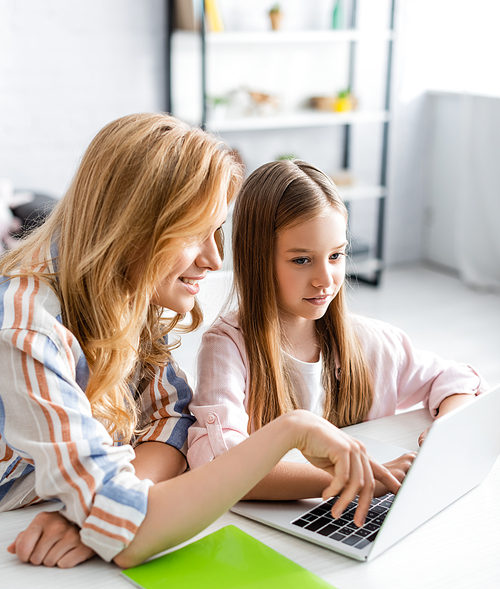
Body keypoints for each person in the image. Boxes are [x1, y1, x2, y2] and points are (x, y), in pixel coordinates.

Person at [1, 117, 401, 570]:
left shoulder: (126, 286)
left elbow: (171, 417)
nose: (214, 259)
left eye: (218, 232)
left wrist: (104, 508)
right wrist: (291, 429)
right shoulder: (28, 330)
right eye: (196, 234)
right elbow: (131, 540)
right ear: (133, 227)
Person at [187, 159, 487, 520]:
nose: (325, 279)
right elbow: (218, 465)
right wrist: (351, 478)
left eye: (335, 255)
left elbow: (456, 379)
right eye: (301, 260)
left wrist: (442, 434)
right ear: (257, 259)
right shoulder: (228, 348)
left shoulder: (370, 341)